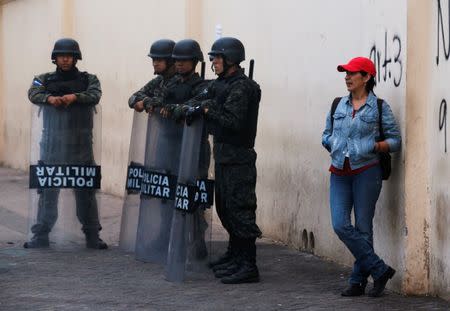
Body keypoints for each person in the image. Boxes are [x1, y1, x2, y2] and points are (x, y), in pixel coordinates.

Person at [321, 57, 401, 297]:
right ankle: (380, 269)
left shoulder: (379, 107)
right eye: (345, 73)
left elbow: (396, 140)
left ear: (366, 77)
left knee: (363, 228)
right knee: (340, 224)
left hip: (367, 171)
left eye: (352, 73)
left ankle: (357, 281)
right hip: (339, 171)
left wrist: (375, 147)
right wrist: (333, 143)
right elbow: (326, 134)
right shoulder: (338, 105)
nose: (347, 77)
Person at [185, 37, 262, 284]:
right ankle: (235, 256)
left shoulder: (243, 87)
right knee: (225, 209)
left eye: (217, 58)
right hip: (224, 156)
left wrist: (208, 109)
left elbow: (232, 121)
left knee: (240, 212)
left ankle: (248, 264)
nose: (213, 62)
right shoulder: (221, 84)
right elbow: (198, 101)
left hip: (238, 158)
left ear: (230, 59)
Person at [25, 38, 107, 249]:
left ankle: (92, 234)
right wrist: (49, 99)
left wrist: (75, 97)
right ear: (55, 58)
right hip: (52, 143)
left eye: (69, 56)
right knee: (48, 189)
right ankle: (41, 234)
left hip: (80, 145)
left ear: (75, 58)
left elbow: (95, 94)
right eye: (61, 56)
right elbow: (33, 93)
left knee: (85, 191)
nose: (65, 59)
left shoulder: (90, 79)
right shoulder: (43, 79)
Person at [128, 39, 177, 113]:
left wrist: (146, 102)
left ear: (170, 61)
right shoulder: (159, 80)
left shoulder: (180, 80)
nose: (155, 64)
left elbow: (164, 101)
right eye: (154, 60)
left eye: (159, 60)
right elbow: (133, 98)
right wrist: (146, 101)